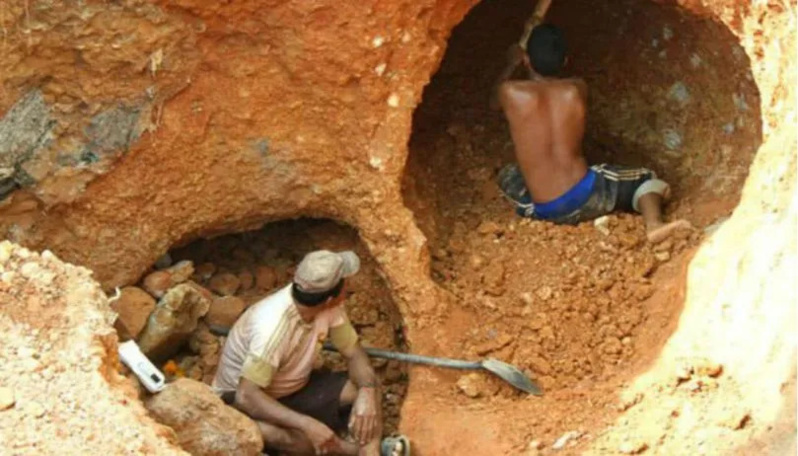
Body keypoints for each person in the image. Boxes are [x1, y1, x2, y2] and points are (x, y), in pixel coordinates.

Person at [493, 24, 690, 242]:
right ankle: (654, 225)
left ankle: (533, 208)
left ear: (526, 60)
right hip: (588, 197)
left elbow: (493, 101)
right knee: (647, 178)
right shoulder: (577, 89)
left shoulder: (509, 92)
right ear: (565, 61)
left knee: (509, 174)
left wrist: (512, 62)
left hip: (544, 209)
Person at [213, 250, 409, 456]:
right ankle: (354, 450)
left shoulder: (329, 307)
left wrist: (367, 392)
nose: (348, 286)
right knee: (296, 441)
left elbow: (354, 353)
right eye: (345, 281)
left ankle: (371, 452)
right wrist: (308, 424)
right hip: (243, 403)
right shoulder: (272, 329)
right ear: (330, 297)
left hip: (293, 389)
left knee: (368, 384)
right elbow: (246, 396)